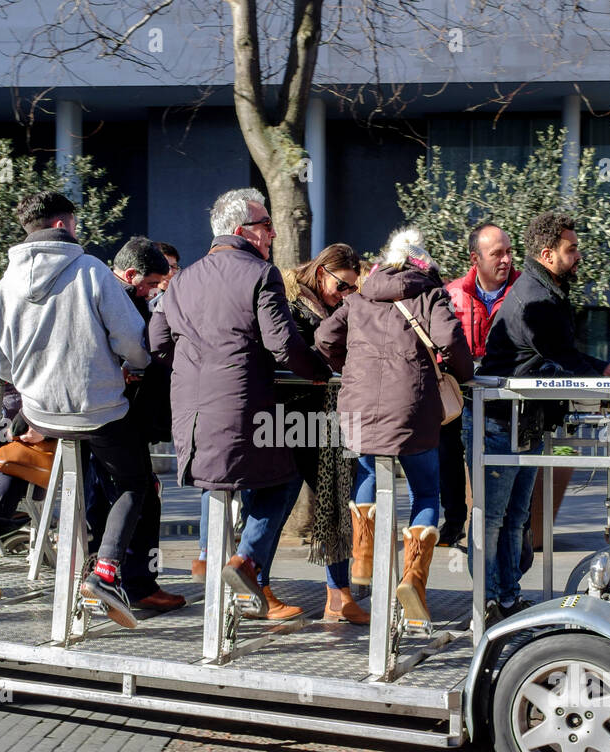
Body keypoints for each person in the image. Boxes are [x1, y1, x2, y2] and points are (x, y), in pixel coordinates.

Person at [150, 187, 331, 620]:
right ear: (242, 231)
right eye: (265, 224)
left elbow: (156, 342)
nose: (271, 233)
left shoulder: (183, 279)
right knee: (283, 479)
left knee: (229, 483)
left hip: (190, 419)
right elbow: (282, 344)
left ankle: (219, 565)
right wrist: (321, 370)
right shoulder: (259, 274)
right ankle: (246, 561)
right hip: (242, 411)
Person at [0, 191, 155, 629]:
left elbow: (0, 364)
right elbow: (135, 343)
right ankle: (105, 571)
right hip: (98, 408)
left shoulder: (5, 285)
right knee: (136, 483)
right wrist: (130, 368)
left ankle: (71, 558)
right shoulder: (91, 271)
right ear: (63, 225)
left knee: (84, 475)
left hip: (41, 413)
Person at [473, 210, 610, 624]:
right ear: (548, 254)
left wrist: (603, 370)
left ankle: (506, 602)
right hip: (500, 423)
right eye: (571, 248)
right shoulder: (536, 298)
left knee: (513, 520)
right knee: (494, 521)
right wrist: (602, 373)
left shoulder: (545, 290)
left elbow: (561, 358)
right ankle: (487, 605)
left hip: (522, 423)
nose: (578, 255)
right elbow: (561, 357)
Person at [316, 227, 473, 625]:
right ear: (423, 264)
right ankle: (413, 582)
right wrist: (464, 373)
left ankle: (364, 560)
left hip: (359, 409)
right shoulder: (430, 293)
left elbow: (323, 338)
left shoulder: (360, 296)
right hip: (412, 411)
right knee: (425, 492)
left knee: (366, 469)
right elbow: (449, 340)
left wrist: (348, 369)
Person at [278, 242, 368, 624]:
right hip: (290, 415)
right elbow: (298, 354)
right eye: (341, 285)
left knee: (334, 499)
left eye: (352, 287)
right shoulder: (291, 301)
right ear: (321, 273)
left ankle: (338, 592)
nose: (346, 293)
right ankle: (254, 580)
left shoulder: (337, 305)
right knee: (272, 503)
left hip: (329, 415)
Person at [105, 237, 184, 613]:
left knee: (136, 494)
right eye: (153, 282)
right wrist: (129, 367)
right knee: (130, 494)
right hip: (115, 415)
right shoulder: (117, 296)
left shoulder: (117, 292)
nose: (157, 290)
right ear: (134, 274)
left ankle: (131, 581)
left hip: (123, 414)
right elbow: (136, 351)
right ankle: (126, 582)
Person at [440, 222, 520, 546]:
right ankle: (454, 520)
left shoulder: (522, 292)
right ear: (476, 258)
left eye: (509, 252)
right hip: (457, 390)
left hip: (505, 395)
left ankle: (510, 527)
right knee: (447, 453)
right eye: (497, 253)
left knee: (497, 462)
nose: (506, 259)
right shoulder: (451, 293)